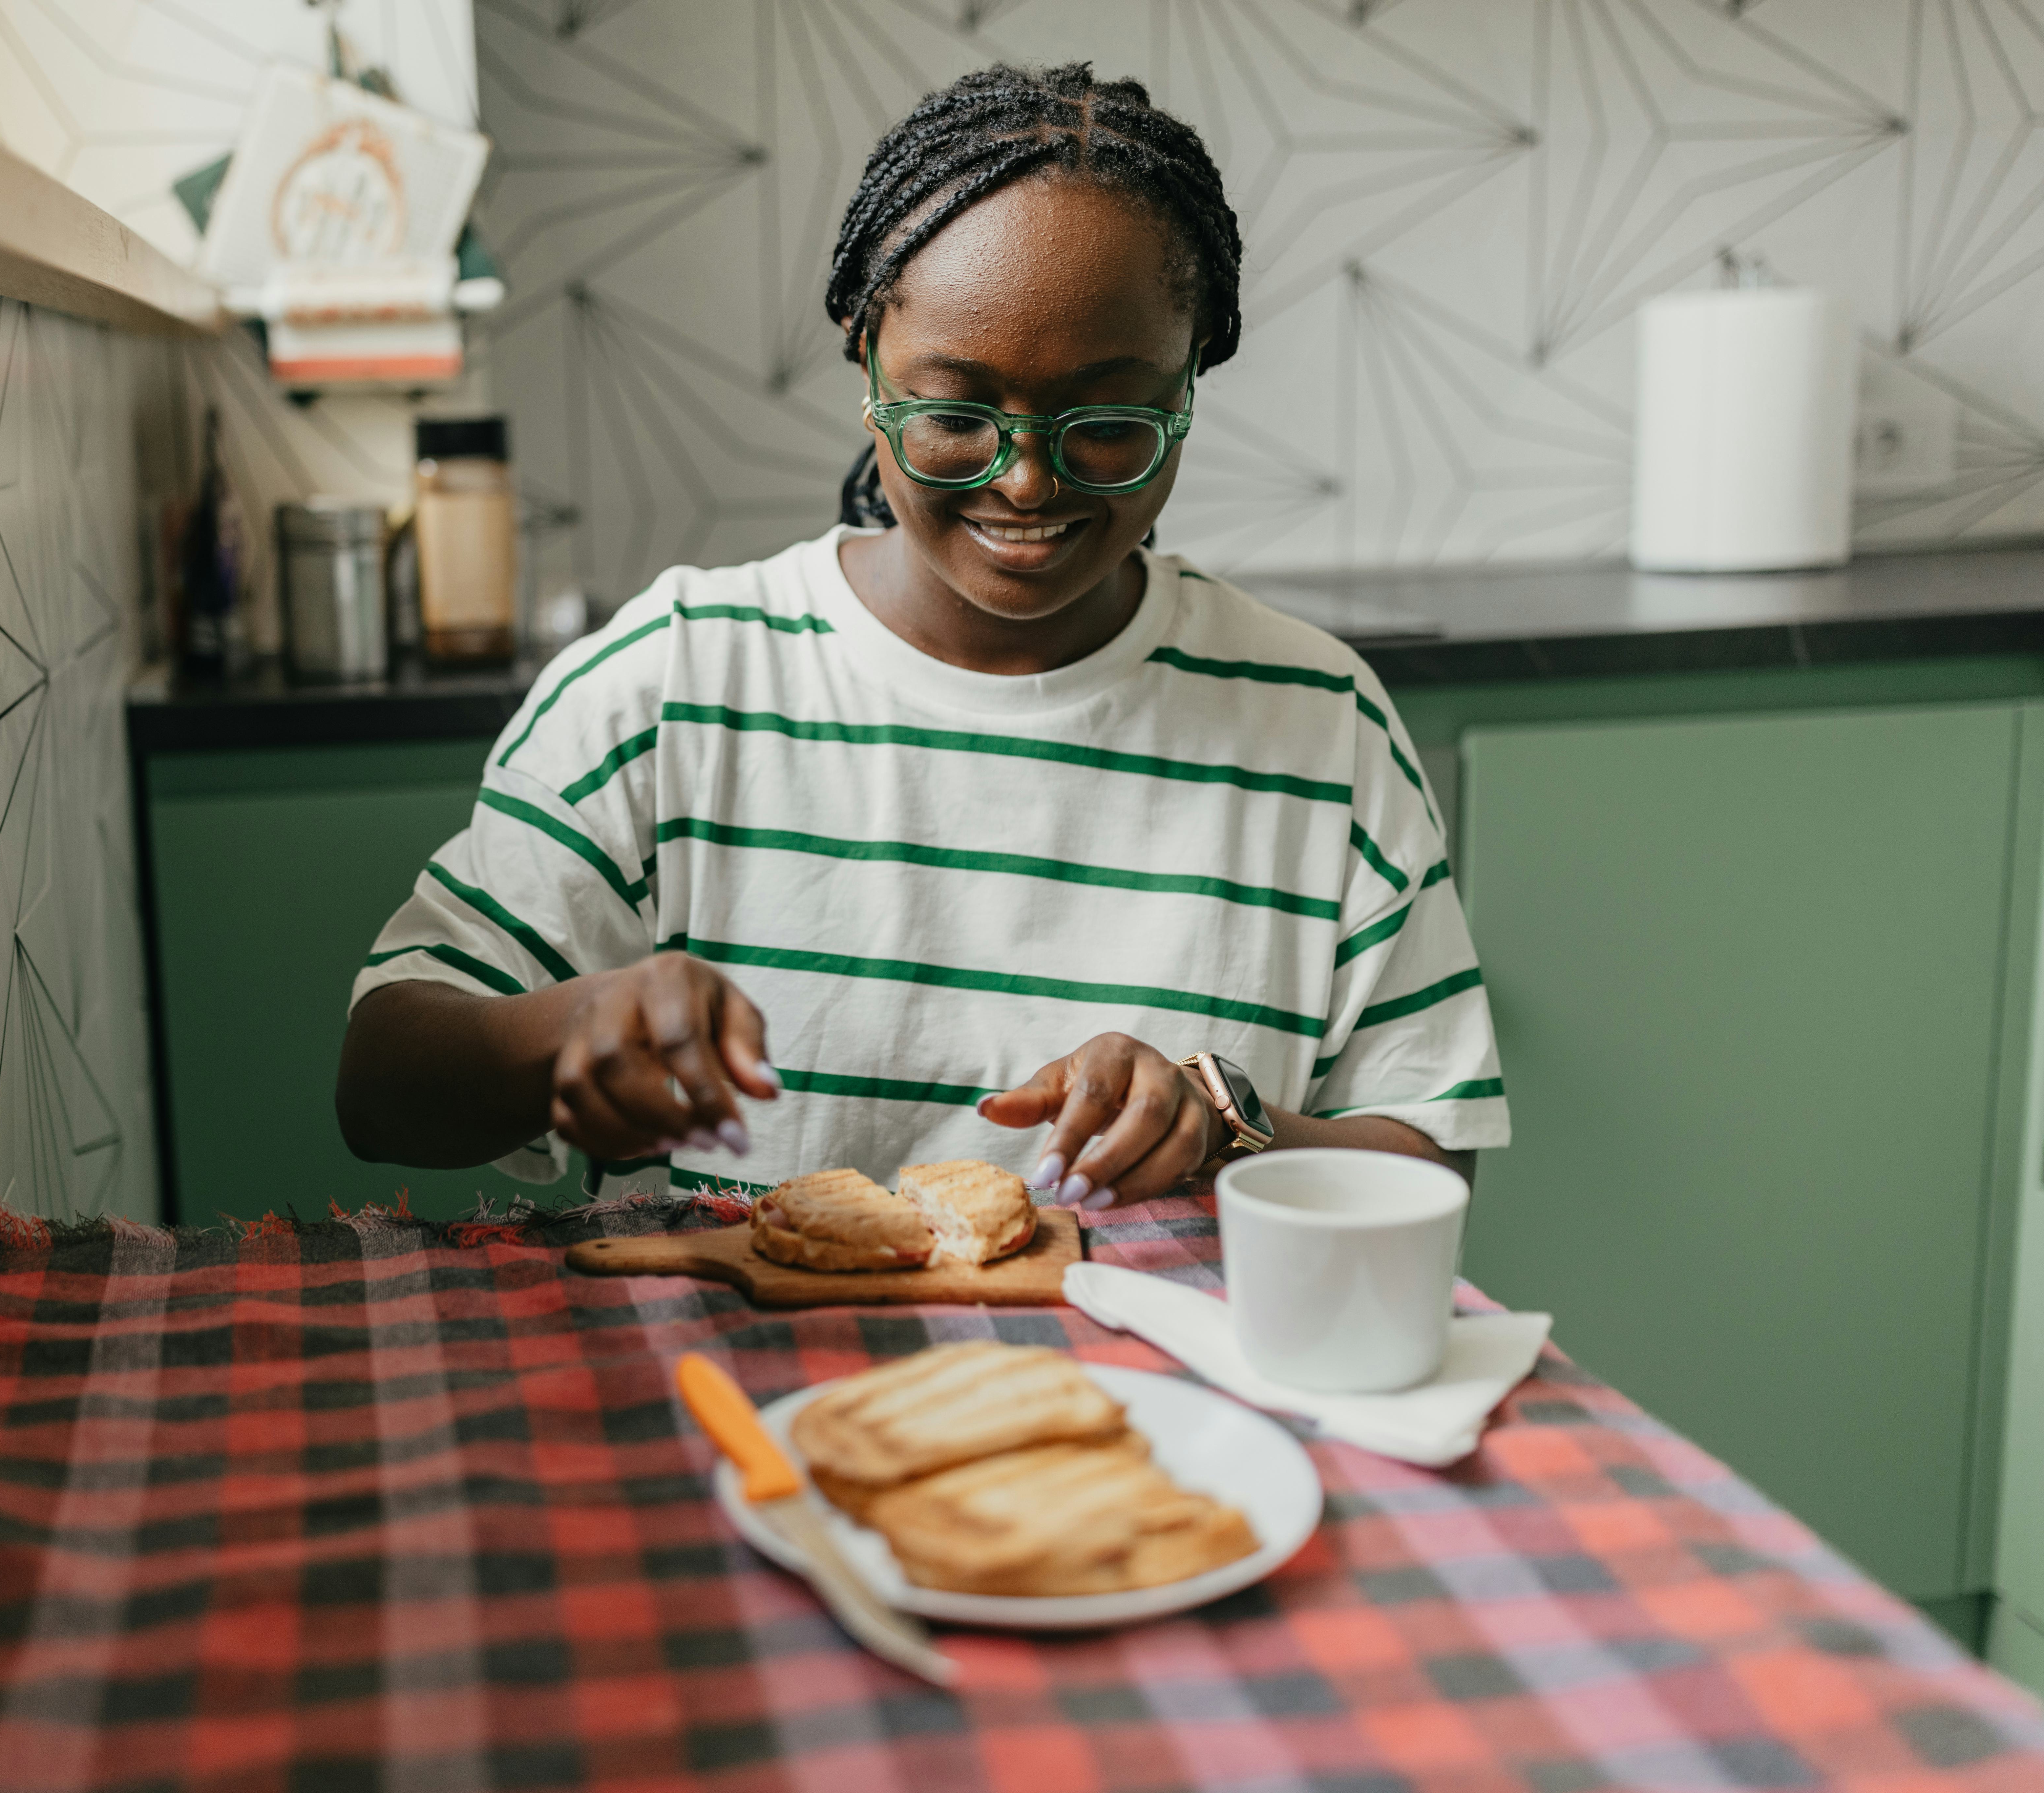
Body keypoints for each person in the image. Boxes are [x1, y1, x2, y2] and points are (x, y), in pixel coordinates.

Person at [337, 62, 1505, 1212]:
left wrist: (1220, 1125)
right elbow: (382, 1084)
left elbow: (1427, 1162)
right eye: (955, 414)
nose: (1027, 483)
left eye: (1107, 421)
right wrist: (571, 1028)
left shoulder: (1320, 724)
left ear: (1190, 380)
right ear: (866, 359)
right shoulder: (674, 683)